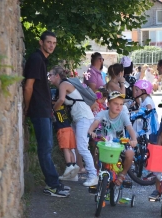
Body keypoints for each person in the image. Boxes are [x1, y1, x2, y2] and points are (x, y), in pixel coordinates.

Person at [23, 30, 70, 197]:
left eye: (54, 43)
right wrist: (27, 107)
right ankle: (52, 185)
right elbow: (28, 86)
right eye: (49, 42)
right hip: (38, 110)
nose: (51, 45)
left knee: (47, 148)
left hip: (44, 110)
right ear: (41, 42)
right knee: (45, 149)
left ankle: (54, 182)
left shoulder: (42, 60)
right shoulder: (36, 59)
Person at [50, 66, 98, 187]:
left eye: (50, 75)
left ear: (57, 76)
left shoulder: (63, 84)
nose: (49, 78)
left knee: (82, 147)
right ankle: (73, 175)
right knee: (72, 145)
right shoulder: (62, 86)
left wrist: (52, 110)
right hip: (79, 118)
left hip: (84, 117)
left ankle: (93, 176)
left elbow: (61, 100)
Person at [88, 91, 137, 186]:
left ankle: (123, 174)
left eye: (121, 104)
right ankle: (96, 171)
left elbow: (129, 128)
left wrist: (134, 139)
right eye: (115, 104)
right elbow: (95, 122)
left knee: (130, 153)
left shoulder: (123, 115)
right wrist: (91, 131)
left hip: (120, 144)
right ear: (108, 104)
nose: (119, 107)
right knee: (94, 147)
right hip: (105, 143)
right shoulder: (103, 114)